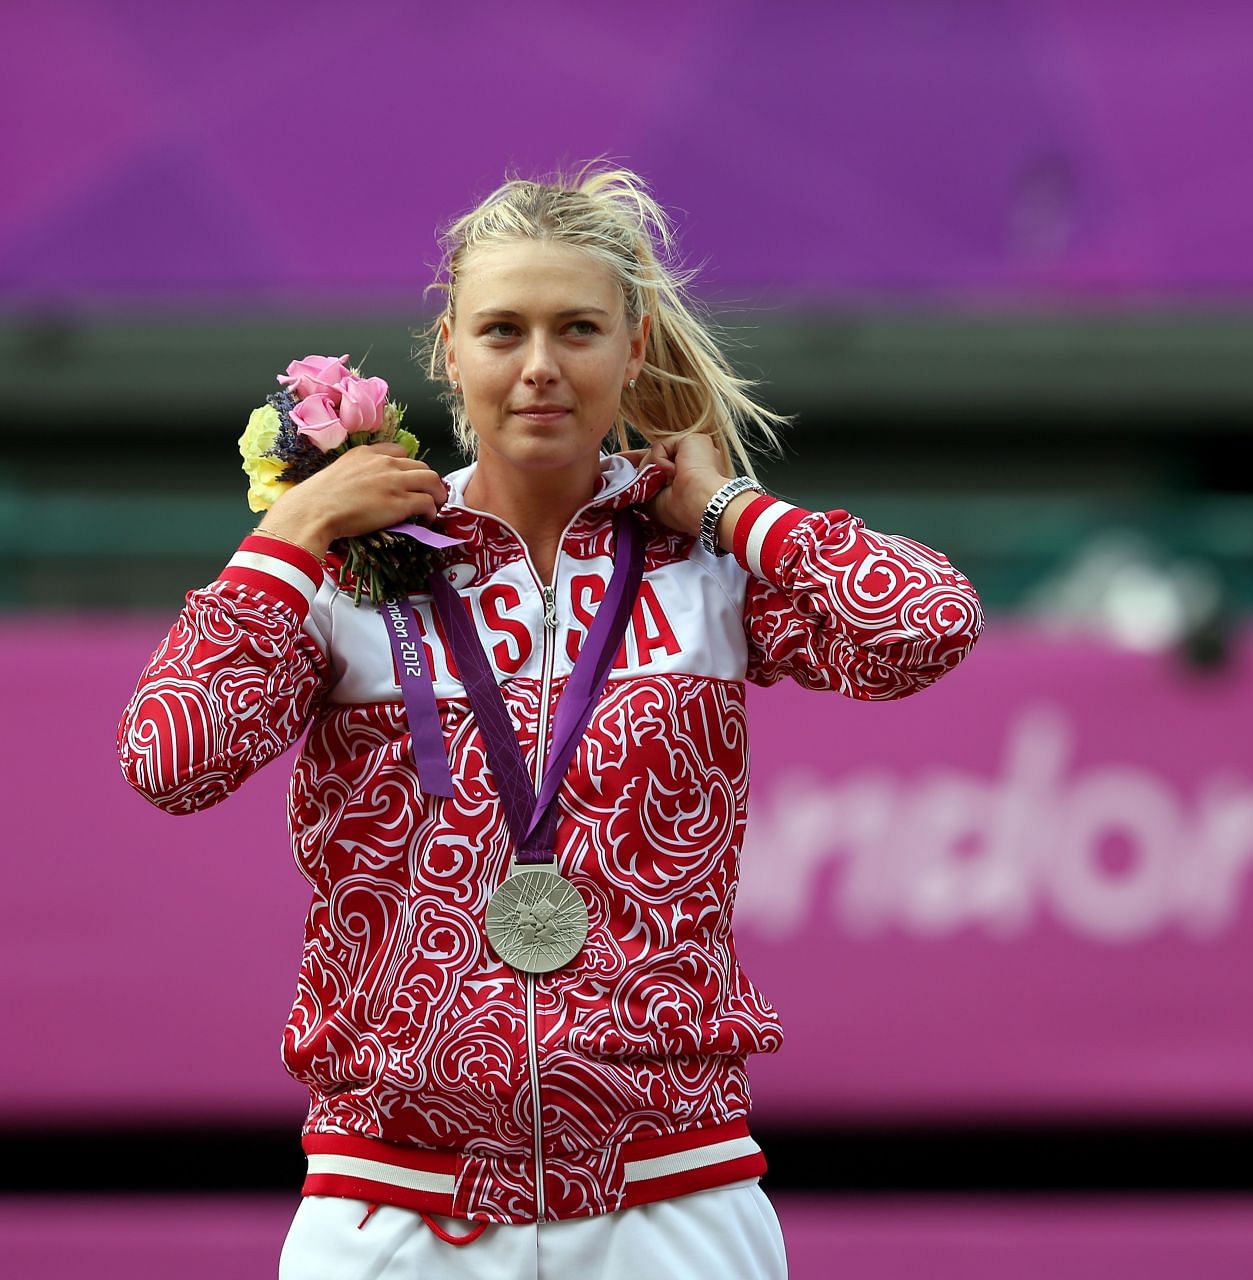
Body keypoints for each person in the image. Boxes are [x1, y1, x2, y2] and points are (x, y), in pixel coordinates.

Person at [116, 163, 983, 1278]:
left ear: (633, 347)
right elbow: (168, 755)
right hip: (393, 1202)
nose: (539, 367)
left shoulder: (702, 565)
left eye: (577, 328)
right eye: (502, 329)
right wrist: (293, 533)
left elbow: (928, 623)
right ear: (448, 349)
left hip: (670, 1192)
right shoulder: (352, 567)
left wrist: (728, 506)